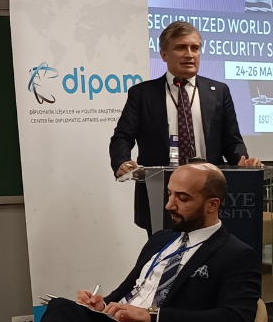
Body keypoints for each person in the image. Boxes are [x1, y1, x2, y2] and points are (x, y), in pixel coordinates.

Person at [26, 163, 261, 322]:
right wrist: (102, 305)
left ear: (212, 205)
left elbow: (236, 320)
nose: (169, 205)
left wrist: (153, 316)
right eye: (169, 194)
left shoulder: (236, 254)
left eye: (182, 198)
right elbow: (130, 290)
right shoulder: (161, 239)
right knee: (60, 308)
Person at [109, 21, 261, 234]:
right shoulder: (143, 94)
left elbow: (232, 140)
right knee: (164, 252)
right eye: (180, 47)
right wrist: (122, 161)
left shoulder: (219, 92)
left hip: (207, 190)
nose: (189, 54)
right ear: (164, 54)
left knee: (210, 251)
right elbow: (122, 137)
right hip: (161, 191)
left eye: (195, 48)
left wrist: (242, 160)